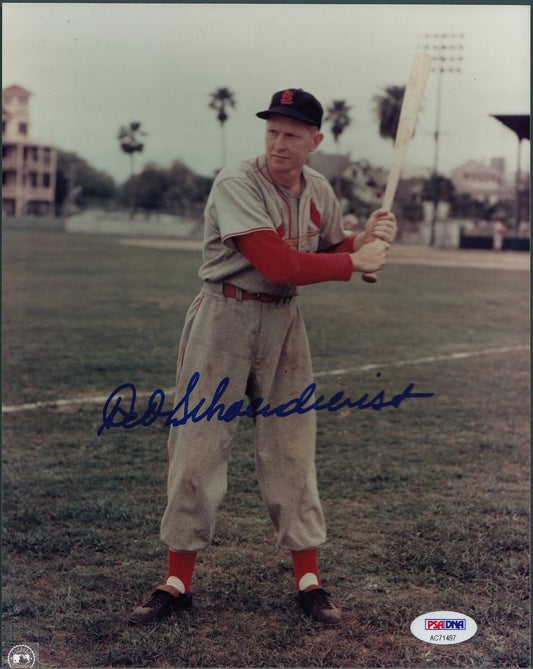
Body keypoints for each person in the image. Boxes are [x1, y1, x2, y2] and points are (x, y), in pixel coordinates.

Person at [128, 88, 397, 626]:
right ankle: (176, 580)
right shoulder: (237, 182)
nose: (279, 142)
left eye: (292, 134)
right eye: (273, 131)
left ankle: (310, 581)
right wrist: (353, 262)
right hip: (222, 320)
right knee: (198, 451)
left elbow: (326, 251)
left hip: (283, 324)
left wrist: (362, 242)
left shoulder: (318, 188)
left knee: (293, 450)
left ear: (314, 141)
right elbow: (275, 262)